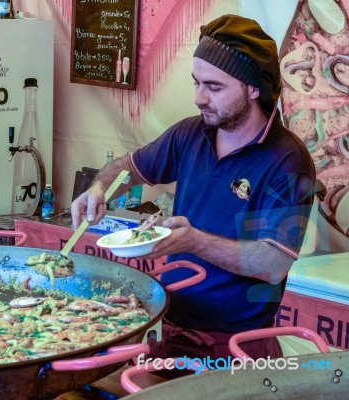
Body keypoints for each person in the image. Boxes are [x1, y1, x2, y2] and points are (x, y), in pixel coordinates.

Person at [71, 14, 316, 365]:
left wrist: (194, 241)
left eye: (214, 87)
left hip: (237, 348)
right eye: (196, 82)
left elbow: (273, 263)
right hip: (170, 329)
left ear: (253, 88)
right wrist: (98, 186)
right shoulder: (189, 134)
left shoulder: (287, 161)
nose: (199, 97)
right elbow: (128, 167)